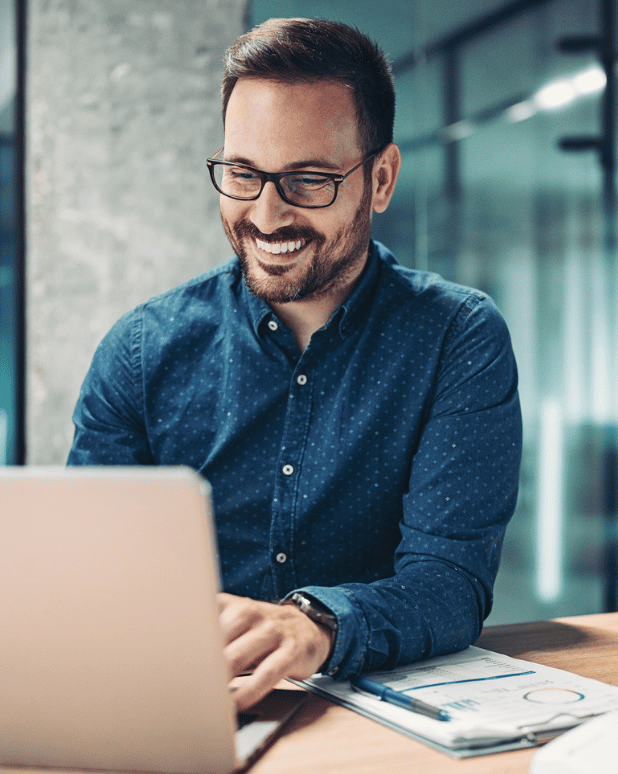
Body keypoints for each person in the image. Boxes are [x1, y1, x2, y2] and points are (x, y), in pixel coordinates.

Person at [67, 17, 522, 710]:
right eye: (244, 174)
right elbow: (90, 575)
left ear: (381, 179)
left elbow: (449, 583)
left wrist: (314, 625)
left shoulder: (456, 337)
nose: (268, 215)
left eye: (307, 180)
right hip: (181, 709)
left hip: (371, 718)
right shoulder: (140, 351)